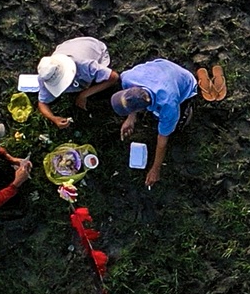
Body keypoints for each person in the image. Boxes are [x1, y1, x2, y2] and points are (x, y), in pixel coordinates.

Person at [110, 59, 200, 187]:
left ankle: (186, 108)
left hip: (184, 82)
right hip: (161, 70)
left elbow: (162, 141)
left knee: (175, 126)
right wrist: (131, 118)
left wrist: (155, 169)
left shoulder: (168, 106)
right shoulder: (128, 78)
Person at [34, 37, 120, 128]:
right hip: (67, 46)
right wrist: (53, 118)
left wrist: (83, 95)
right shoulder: (45, 76)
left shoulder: (85, 65)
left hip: (94, 47)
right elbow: (42, 102)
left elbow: (114, 77)